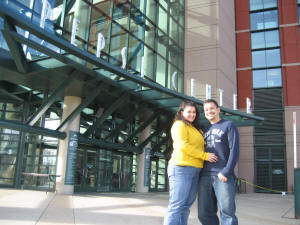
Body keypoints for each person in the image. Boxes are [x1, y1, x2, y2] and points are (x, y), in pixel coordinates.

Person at [164, 100, 217, 225]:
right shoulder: (179, 125)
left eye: (194, 112)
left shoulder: (195, 128)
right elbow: (183, 146)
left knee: (186, 205)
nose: (192, 114)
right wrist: (205, 156)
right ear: (181, 112)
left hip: (195, 169)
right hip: (181, 168)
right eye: (189, 112)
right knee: (177, 205)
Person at [198, 99, 239, 225]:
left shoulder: (229, 125)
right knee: (204, 213)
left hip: (223, 176)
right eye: (206, 110)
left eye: (211, 108)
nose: (209, 111)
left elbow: (234, 150)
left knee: (227, 212)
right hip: (205, 176)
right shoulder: (204, 129)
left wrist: (226, 171)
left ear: (218, 110)